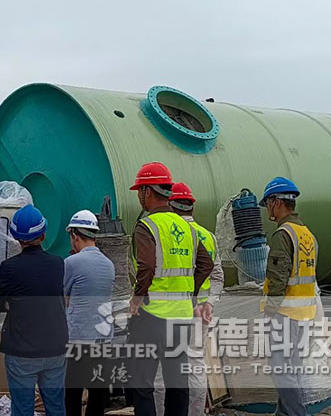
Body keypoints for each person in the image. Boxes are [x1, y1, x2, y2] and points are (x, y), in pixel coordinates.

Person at [127, 162, 213, 416]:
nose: (139, 196)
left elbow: (146, 266)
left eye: (139, 191)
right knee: (177, 383)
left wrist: (137, 299)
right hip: (181, 317)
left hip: (152, 316)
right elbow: (206, 264)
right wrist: (188, 293)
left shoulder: (147, 226)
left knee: (143, 384)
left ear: (148, 192)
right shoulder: (187, 228)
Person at [0, 205, 68, 416]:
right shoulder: (58, 264)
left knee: (22, 408)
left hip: (21, 350)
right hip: (55, 348)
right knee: (55, 407)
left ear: (17, 238)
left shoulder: (9, 267)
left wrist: (11, 303)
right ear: (43, 235)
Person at [155, 182, 224, 415]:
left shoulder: (166, 235)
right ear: (192, 207)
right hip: (200, 313)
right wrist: (209, 303)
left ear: (170, 205)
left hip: (170, 310)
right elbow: (217, 275)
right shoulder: (208, 236)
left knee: (162, 370)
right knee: (195, 365)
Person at [259, 177, 318, 416]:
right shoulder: (306, 234)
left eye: (267, 203)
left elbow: (278, 278)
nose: (267, 209)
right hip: (305, 312)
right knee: (292, 369)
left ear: (276, 202)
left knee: (281, 371)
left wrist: (270, 311)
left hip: (285, 313)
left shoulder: (283, 234)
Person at [63, 210, 115, 416]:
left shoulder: (71, 263)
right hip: (103, 337)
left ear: (75, 236)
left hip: (79, 337)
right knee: (97, 392)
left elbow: (63, 294)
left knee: (72, 393)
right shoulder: (109, 265)